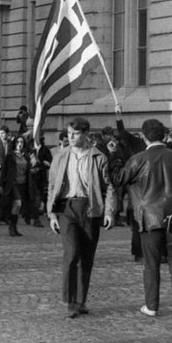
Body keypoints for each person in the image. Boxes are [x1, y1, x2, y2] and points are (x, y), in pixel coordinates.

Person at [116, 119, 172, 318]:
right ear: (164, 135)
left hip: (149, 216)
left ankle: (151, 305)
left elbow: (119, 178)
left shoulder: (137, 159)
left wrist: (116, 157)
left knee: (151, 263)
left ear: (143, 136)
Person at [46, 117, 116, 318]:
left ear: (86, 134)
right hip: (67, 208)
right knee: (71, 253)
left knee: (86, 257)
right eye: (69, 133)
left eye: (75, 134)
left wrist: (109, 212)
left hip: (90, 208)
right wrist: (52, 214)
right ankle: (70, 301)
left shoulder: (98, 157)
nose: (71, 137)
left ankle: (81, 300)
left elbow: (108, 186)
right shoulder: (60, 157)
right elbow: (52, 186)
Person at [1, 132, 30, 237]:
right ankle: (11, 227)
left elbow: (29, 170)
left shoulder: (26, 156)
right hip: (13, 183)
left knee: (18, 206)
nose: (19, 144)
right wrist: (1, 184)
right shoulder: (10, 155)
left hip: (23, 183)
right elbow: (4, 170)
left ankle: (14, 227)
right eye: (18, 142)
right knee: (17, 203)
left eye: (21, 142)